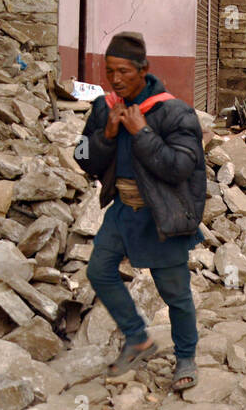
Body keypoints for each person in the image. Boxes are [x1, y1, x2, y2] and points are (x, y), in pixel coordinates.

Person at [76, 32, 207, 391]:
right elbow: (83, 159)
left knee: (174, 292)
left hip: (160, 215)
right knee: (99, 271)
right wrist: (106, 133)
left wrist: (143, 133)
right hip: (122, 210)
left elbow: (180, 167)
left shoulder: (173, 112)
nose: (115, 79)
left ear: (144, 70)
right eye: (109, 71)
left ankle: (186, 358)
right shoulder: (106, 107)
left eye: (123, 71)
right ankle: (138, 338)